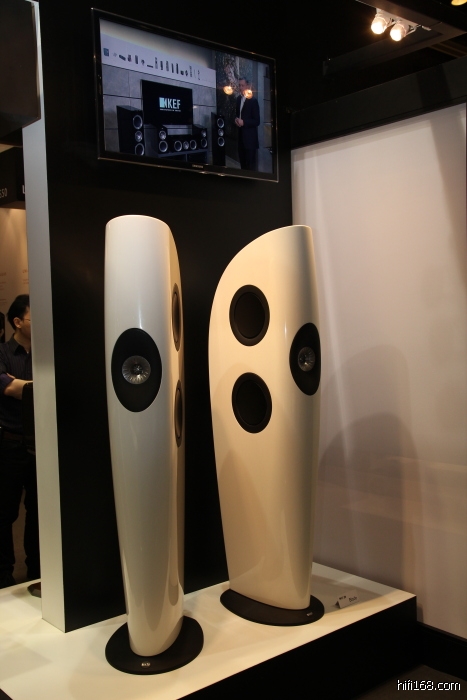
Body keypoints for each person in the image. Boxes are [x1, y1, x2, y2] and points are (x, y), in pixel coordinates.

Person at [0, 295, 40, 588]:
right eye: (32, 318)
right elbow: (9, 388)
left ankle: (37, 570)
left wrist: (21, 385)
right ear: (17, 322)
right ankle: (4, 574)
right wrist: (38, 386)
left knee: (39, 512)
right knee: (5, 512)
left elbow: (18, 386)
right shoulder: (3, 352)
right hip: (9, 444)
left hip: (41, 445)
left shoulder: (45, 352)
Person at [235, 77, 260, 171]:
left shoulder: (253, 101)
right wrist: (236, 120)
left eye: (242, 85)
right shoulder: (238, 99)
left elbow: (257, 121)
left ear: (247, 86)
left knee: (250, 168)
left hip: (250, 141)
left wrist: (244, 122)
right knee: (243, 167)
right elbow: (238, 115)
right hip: (241, 139)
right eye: (239, 85)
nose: (240, 87)